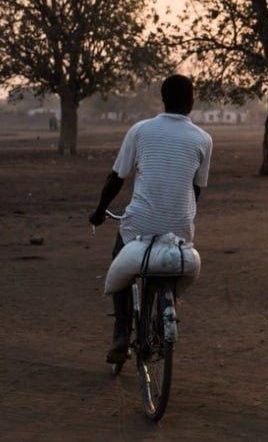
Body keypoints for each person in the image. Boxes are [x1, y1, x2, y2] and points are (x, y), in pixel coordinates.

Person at [87, 75, 213, 365]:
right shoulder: (204, 139)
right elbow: (195, 189)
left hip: (139, 225)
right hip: (180, 228)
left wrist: (99, 211)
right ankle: (162, 317)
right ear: (191, 102)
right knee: (172, 269)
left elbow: (116, 178)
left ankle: (121, 333)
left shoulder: (140, 131)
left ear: (163, 98)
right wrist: (182, 218)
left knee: (120, 261)